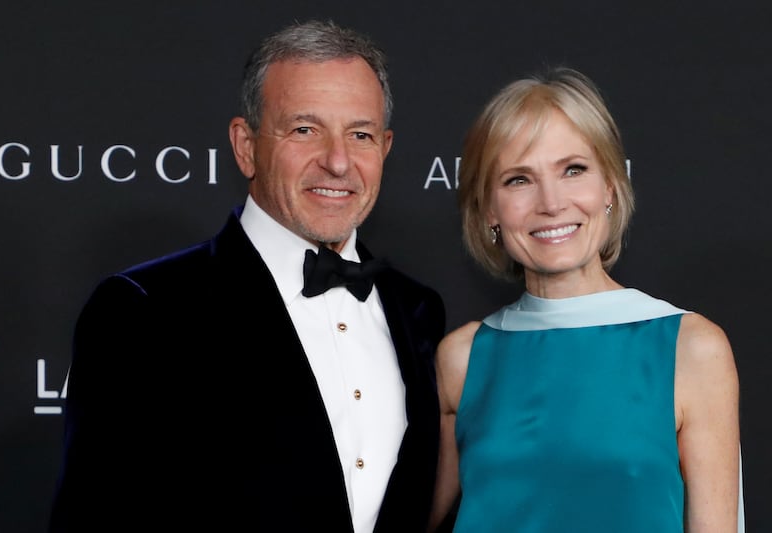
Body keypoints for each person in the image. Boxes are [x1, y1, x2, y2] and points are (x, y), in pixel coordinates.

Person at [48, 19, 446, 533]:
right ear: (245, 145)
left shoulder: (418, 311)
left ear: (385, 148)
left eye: (361, 134)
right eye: (305, 129)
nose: (338, 161)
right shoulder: (145, 309)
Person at [428, 67, 741, 532]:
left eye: (573, 170)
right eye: (519, 179)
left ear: (610, 187)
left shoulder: (691, 346)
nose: (551, 203)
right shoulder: (463, 357)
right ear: (489, 209)